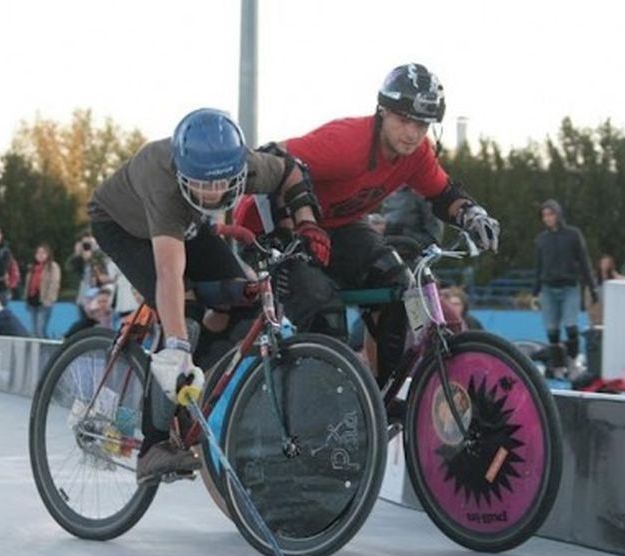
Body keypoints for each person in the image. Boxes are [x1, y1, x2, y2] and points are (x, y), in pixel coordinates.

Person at [87, 107, 327, 483]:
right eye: (204, 184)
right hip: (123, 226)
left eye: (223, 183)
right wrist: (179, 347)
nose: (215, 192)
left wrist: (307, 222)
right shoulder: (163, 179)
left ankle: (189, 398)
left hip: (189, 224)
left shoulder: (244, 164)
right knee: (184, 314)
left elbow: (290, 170)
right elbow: (169, 273)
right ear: (184, 173)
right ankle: (152, 447)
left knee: (246, 302)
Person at [235, 63, 500, 387]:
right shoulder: (348, 142)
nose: (412, 133)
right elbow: (271, 159)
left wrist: (473, 215)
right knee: (323, 307)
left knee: (396, 284)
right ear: (382, 112)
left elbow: (445, 194)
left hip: (336, 227)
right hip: (267, 225)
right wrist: (295, 223)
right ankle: (327, 405)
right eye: (404, 120)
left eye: (422, 124)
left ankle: (378, 393)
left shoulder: (416, 155)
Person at [533, 199, 597, 361]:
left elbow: (584, 261)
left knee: (570, 325)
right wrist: (535, 292)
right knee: (551, 329)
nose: (547, 218)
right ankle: (558, 364)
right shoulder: (541, 239)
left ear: (558, 214)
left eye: (550, 214)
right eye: (544, 215)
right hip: (548, 289)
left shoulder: (573, 234)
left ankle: (573, 360)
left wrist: (592, 287)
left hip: (569, 287)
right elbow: (539, 266)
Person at [24, 243, 62, 338]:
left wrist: (49, 299)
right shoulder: (32, 267)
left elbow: (54, 284)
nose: (40, 255)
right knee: (33, 330)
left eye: (43, 253)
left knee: (40, 329)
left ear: (48, 255)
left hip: (44, 301)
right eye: (38, 253)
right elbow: (28, 284)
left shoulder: (53, 267)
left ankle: (44, 350)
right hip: (32, 300)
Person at [588, 254, 624, 325]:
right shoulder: (594, 279)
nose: (605, 265)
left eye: (607, 263)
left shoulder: (615, 278)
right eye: (603, 263)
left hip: (613, 313)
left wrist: (617, 276)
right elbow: (589, 300)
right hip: (598, 314)